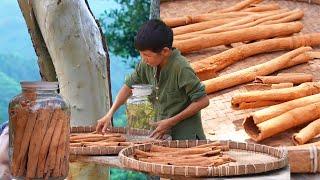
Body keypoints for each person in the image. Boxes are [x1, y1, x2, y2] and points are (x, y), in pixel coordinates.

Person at [96, 19, 209, 140]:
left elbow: (203, 101)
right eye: (141, 54)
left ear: (165, 51)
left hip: (186, 138)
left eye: (147, 55)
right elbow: (129, 86)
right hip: (161, 136)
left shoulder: (181, 68)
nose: (143, 59)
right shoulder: (146, 64)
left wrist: (171, 121)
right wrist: (110, 113)